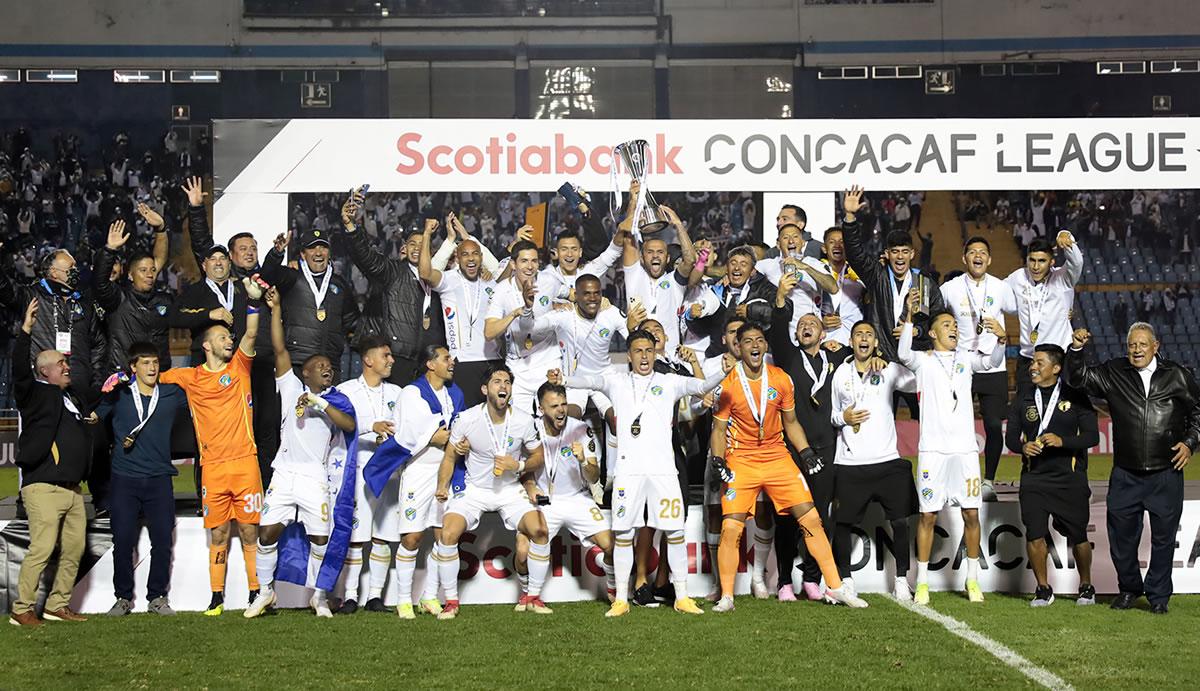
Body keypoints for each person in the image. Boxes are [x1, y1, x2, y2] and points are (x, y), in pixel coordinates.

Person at [555, 329, 727, 617]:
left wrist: (722, 372)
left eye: (649, 350)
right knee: (623, 533)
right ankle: (621, 599)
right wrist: (564, 380)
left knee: (675, 532)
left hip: (663, 472)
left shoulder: (669, 382)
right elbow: (590, 380)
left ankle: (682, 596)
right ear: (629, 355)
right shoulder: (616, 381)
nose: (644, 356)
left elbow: (701, 386)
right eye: (638, 351)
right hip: (628, 472)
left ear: (655, 353)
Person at [709, 322, 867, 612]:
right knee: (731, 527)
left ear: (765, 346)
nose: (754, 345)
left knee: (812, 519)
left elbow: (791, 422)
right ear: (738, 347)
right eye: (748, 341)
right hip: (741, 460)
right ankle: (727, 597)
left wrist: (805, 452)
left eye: (759, 340)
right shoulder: (727, 385)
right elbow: (719, 430)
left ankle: (835, 587)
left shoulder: (781, 379)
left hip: (777, 457)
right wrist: (718, 459)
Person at [1067, 324, 1200, 614]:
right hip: (1125, 474)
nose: (1137, 350)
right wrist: (1076, 350)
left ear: (1156, 346)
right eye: (1132, 345)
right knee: (1121, 541)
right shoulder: (1114, 372)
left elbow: (1198, 411)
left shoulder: (1177, 375)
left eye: (1142, 344)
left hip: (1167, 472)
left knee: (1164, 540)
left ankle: (1159, 597)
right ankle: (1128, 589)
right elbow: (1078, 379)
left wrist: (1190, 442)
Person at [245, 289, 357, 619]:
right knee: (267, 532)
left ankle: (319, 596)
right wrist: (276, 308)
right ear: (305, 373)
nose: (326, 369)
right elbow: (280, 348)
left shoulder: (335, 400)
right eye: (319, 366)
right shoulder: (292, 387)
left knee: (320, 538)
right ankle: (265, 592)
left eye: (329, 366)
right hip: (284, 473)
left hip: (313, 477)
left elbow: (349, 425)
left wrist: (320, 404)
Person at [159, 276, 267, 616]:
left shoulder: (239, 368)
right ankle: (216, 597)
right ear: (207, 345)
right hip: (213, 468)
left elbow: (251, 334)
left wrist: (254, 303)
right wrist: (122, 378)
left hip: (245, 463)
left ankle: (255, 592)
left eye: (229, 337)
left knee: (249, 532)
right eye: (223, 337)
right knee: (218, 534)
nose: (229, 340)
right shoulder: (189, 377)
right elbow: (152, 378)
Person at [897, 296, 1006, 605]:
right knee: (927, 516)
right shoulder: (923, 360)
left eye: (955, 325)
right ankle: (922, 583)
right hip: (933, 451)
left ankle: (972, 580)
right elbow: (903, 353)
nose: (953, 328)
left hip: (965, 451)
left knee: (971, 513)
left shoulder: (966, 358)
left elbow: (990, 362)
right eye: (946, 325)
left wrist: (1001, 340)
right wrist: (909, 318)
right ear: (933, 333)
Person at [182, 177, 279, 481]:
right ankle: (210, 491)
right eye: (242, 249)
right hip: (230, 365)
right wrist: (196, 210)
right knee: (218, 429)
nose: (249, 253)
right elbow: (203, 247)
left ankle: (264, 489)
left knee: (265, 428)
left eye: (254, 248)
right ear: (230, 257)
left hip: (260, 364)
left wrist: (276, 257)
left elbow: (275, 274)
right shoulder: (227, 279)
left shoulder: (263, 279)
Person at [434, 364, 547, 619]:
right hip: (475, 490)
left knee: (540, 531)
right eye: (497, 381)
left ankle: (532, 597)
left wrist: (518, 466)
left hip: (509, 490)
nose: (503, 386)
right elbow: (450, 457)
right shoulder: (467, 419)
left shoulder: (523, 421)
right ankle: (451, 602)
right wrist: (442, 486)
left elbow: (538, 456)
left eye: (507, 382)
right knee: (448, 533)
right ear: (485, 389)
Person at [364, 344, 464, 619]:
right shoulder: (411, 393)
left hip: (446, 469)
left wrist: (460, 441)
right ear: (430, 364)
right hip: (419, 469)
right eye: (446, 358)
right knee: (412, 537)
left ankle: (429, 596)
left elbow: (460, 425)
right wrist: (432, 437)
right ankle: (403, 600)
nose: (452, 362)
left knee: (443, 535)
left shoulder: (455, 392)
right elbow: (405, 433)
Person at [768, 277, 852, 602]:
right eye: (801, 325)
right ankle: (784, 581)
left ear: (824, 334)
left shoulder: (836, 359)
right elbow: (778, 328)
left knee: (821, 515)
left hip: (827, 447)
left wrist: (874, 356)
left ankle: (812, 578)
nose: (806, 327)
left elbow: (864, 349)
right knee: (788, 516)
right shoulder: (788, 357)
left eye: (812, 324)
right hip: (793, 450)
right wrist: (781, 297)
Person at [9, 300, 92, 627]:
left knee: (74, 550)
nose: (67, 366)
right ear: (44, 370)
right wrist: (26, 330)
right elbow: (19, 370)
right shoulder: (33, 393)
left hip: (73, 490)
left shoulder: (71, 398)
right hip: (44, 486)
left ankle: (57, 605)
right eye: (61, 363)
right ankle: (21, 609)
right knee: (42, 549)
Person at [96, 342, 188, 617]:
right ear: (133, 367)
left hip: (159, 479)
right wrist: (104, 389)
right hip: (124, 479)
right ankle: (123, 598)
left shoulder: (171, 394)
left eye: (155, 362)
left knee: (162, 543)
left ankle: (157, 597)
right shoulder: (120, 394)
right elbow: (93, 417)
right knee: (123, 542)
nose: (152, 367)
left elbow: (202, 398)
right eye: (145, 363)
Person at [829, 320, 918, 600]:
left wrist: (892, 360)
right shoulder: (840, 373)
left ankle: (901, 580)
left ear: (876, 343)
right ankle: (845, 580)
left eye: (869, 334)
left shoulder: (887, 370)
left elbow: (916, 380)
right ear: (851, 342)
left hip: (887, 461)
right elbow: (833, 415)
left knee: (900, 522)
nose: (864, 338)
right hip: (850, 463)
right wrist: (843, 418)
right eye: (858, 334)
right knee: (842, 524)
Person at [1005, 344, 1099, 607]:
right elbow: (1011, 437)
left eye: (1039, 363)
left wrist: (1062, 441)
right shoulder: (1023, 397)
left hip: (1069, 478)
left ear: (1056, 368)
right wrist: (1022, 447)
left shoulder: (1076, 396)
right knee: (1034, 534)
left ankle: (1086, 586)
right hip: (1034, 478)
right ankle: (1043, 589)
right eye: (1032, 362)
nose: (1032, 367)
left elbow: (1092, 436)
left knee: (1078, 535)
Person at [841, 185, 944, 418]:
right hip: (883, 360)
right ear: (887, 254)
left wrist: (917, 331)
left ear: (912, 254)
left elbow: (938, 319)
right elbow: (855, 254)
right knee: (880, 417)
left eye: (904, 251)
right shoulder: (876, 276)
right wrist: (850, 217)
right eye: (895, 251)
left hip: (914, 361)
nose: (900, 256)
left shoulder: (924, 284)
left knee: (925, 419)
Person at [520, 382, 616, 602]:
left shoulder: (580, 429)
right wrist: (530, 486)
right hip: (543, 501)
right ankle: (526, 593)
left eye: (563, 404)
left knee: (611, 546)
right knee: (523, 551)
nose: (561, 410)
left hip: (577, 498)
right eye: (554, 406)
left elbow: (593, 476)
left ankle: (612, 589)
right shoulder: (529, 429)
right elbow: (522, 469)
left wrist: (583, 461)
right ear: (541, 408)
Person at [939, 237, 1017, 501]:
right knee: (954, 425)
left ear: (990, 259)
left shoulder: (1001, 287)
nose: (978, 256)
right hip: (961, 366)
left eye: (983, 252)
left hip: (993, 365)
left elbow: (1023, 310)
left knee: (993, 425)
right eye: (972, 252)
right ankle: (954, 481)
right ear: (964, 258)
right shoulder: (950, 288)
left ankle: (988, 482)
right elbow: (934, 315)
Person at [342, 189, 444, 384]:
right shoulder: (393, 271)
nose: (417, 248)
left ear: (430, 252)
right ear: (404, 248)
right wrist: (351, 227)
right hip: (396, 358)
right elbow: (367, 258)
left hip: (425, 363)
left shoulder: (438, 281)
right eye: (413, 244)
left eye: (423, 244)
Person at [337, 336, 405, 613]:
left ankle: (375, 596)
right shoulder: (346, 391)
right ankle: (350, 596)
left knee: (383, 535)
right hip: (359, 471)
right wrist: (370, 426)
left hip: (391, 472)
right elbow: (339, 425)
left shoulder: (398, 392)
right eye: (385, 355)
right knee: (356, 536)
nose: (391, 360)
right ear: (368, 359)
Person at [259, 227, 360, 380]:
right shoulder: (292, 277)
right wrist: (276, 253)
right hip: (297, 362)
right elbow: (267, 276)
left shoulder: (340, 284)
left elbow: (352, 322)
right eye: (312, 248)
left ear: (329, 252)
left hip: (330, 364)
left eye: (323, 247)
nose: (318, 253)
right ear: (303, 254)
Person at [418, 219, 501, 407]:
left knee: (496, 415)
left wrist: (467, 236)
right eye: (465, 254)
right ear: (457, 257)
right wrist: (427, 234)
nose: (470, 259)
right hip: (463, 362)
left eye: (475, 254)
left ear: (481, 257)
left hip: (494, 361)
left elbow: (501, 269)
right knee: (466, 416)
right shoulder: (448, 280)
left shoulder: (490, 281)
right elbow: (425, 273)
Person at [93, 211, 171, 374]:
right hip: (125, 375)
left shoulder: (162, 300)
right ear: (130, 275)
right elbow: (100, 282)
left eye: (152, 270)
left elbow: (159, 259)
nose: (149, 274)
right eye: (143, 270)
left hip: (158, 375)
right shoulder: (118, 298)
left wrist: (161, 230)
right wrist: (109, 250)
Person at [484, 239, 556, 415]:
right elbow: (489, 332)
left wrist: (602, 302)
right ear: (513, 264)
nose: (530, 267)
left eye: (534, 261)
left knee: (552, 417)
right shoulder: (501, 290)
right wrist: (515, 313)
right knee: (518, 421)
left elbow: (572, 293)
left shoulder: (550, 281)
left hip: (548, 360)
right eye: (524, 261)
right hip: (518, 366)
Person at [1005, 232, 1083, 393]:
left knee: (1062, 405)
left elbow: (1077, 262)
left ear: (1051, 262)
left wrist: (1065, 236)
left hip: (1058, 356)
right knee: (1025, 404)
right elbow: (997, 294)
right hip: (1028, 357)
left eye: (1042, 261)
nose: (1035, 266)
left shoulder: (1063, 278)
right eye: (1032, 260)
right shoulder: (1017, 278)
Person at [621, 197, 701, 354]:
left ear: (668, 258)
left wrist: (678, 225)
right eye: (650, 252)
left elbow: (691, 259)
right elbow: (628, 242)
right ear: (642, 258)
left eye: (660, 252)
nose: (655, 256)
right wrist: (633, 201)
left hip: (670, 356)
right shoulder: (634, 276)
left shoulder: (675, 281)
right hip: (641, 357)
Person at [690, 246, 785, 357]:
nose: (737, 268)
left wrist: (751, 311)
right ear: (726, 268)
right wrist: (692, 317)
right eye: (733, 263)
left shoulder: (764, 287)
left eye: (743, 264)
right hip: (720, 358)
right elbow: (702, 330)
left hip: (757, 358)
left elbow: (784, 313)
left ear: (752, 271)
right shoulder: (715, 289)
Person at [754, 223, 839, 341]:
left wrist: (805, 267)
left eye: (795, 236)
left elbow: (833, 288)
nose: (791, 241)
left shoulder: (814, 264)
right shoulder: (767, 265)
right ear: (778, 244)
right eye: (785, 237)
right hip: (779, 332)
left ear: (803, 242)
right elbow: (744, 273)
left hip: (809, 332)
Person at [818, 226, 865, 346]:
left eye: (842, 242)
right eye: (832, 242)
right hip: (824, 340)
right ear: (824, 248)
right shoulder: (816, 272)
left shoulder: (859, 272)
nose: (837, 245)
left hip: (853, 341)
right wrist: (819, 321)